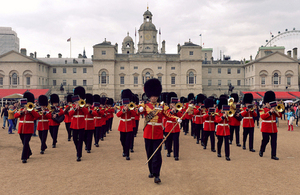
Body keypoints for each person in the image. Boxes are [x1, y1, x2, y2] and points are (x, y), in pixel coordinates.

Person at [138, 78, 181, 184]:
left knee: (157, 155)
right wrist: (139, 110)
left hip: (158, 133)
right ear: (149, 96)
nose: (153, 98)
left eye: (155, 96)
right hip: (147, 133)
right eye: (152, 96)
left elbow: (168, 115)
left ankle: (157, 175)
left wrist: (176, 119)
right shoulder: (145, 106)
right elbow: (137, 113)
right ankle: (151, 171)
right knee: (149, 153)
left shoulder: (162, 107)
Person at [14, 92, 40, 163]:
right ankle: (29, 152)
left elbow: (37, 116)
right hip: (21, 128)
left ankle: (24, 157)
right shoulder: (21, 108)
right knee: (24, 142)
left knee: (25, 143)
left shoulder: (32, 108)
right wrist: (21, 112)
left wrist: (31, 110)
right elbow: (15, 115)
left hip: (29, 128)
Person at [259, 91, 281, 160]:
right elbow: (262, 117)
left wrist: (275, 111)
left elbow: (280, 116)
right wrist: (269, 112)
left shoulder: (275, 109)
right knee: (265, 140)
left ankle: (273, 155)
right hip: (266, 127)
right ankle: (261, 150)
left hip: (273, 128)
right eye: (268, 103)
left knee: (274, 142)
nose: (269, 104)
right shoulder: (262, 109)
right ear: (266, 103)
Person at [69, 86, 89, 161]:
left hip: (81, 124)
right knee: (74, 139)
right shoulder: (73, 106)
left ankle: (78, 155)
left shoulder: (83, 105)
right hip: (74, 125)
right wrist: (75, 108)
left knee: (80, 139)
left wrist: (81, 107)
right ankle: (78, 150)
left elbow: (86, 113)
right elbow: (70, 114)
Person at [116, 89, 136, 160]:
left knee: (128, 140)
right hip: (122, 125)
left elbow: (135, 114)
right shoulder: (121, 107)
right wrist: (123, 111)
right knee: (122, 139)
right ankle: (124, 150)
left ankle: (127, 154)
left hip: (129, 125)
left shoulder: (131, 107)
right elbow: (118, 115)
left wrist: (130, 109)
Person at [165, 93, 182, 161]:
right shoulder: (166, 109)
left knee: (176, 142)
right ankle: (169, 151)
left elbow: (181, 116)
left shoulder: (177, 109)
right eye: (171, 103)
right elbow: (166, 116)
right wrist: (172, 111)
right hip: (168, 127)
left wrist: (176, 111)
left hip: (176, 127)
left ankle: (176, 155)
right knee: (168, 141)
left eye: (173, 103)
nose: (173, 104)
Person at [215, 97, 231, 161]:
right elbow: (217, 120)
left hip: (226, 128)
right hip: (220, 128)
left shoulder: (228, 112)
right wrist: (222, 116)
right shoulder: (217, 111)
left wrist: (227, 115)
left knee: (227, 142)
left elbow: (230, 121)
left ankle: (227, 155)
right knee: (220, 141)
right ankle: (219, 152)